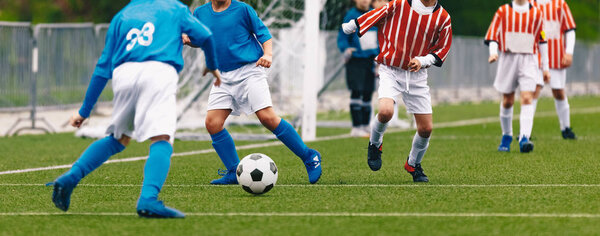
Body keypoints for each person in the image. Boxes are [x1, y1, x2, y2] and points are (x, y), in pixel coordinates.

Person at [47, 0, 220, 218]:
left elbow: (102, 67)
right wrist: (212, 65)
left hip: (124, 73)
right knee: (162, 139)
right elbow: (206, 36)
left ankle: (70, 178)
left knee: (118, 138)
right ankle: (148, 199)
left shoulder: (122, 15)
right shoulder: (175, 8)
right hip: (158, 71)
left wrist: (84, 111)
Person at [185, 0, 322, 185]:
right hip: (223, 74)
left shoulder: (242, 10)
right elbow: (199, 39)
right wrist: (188, 40)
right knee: (213, 123)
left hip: (250, 70)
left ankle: (309, 156)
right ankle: (234, 171)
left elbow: (264, 35)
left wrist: (268, 55)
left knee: (267, 118)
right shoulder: (200, 13)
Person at [341, 0, 452, 182]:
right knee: (385, 112)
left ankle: (413, 164)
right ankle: (375, 144)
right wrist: (353, 25)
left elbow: (442, 49)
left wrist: (422, 60)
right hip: (390, 69)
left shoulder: (443, 18)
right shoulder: (400, 4)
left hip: (417, 76)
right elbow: (377, 13)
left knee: (426, 129)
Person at [485, 0, 550, 153]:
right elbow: (493, 35)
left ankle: (524, 138)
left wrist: (545, 68)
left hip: (529, 60)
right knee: (508, 100)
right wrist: (493, 52)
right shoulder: (503, 11)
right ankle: (506, 136)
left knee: (527, 97)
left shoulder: (537, 13)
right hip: (508, 59)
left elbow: (542, 40)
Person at [531, 0, 577, 139]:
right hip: (536, 58)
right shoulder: (529, 4)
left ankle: (566, 128)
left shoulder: (560, 4)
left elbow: (570, 30)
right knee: (533, 91)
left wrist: (569, 52)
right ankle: (525, 132)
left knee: (558, 92)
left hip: (556, 58)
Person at [337, 0, 379, 137]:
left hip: (371, 61)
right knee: (357, 91)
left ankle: (366, 125)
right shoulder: (351, 15)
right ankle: (356, 126)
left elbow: (379, 36)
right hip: (356, 60)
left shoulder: (374, 14)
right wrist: (345, 48)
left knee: (368, 92)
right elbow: (343, 36)